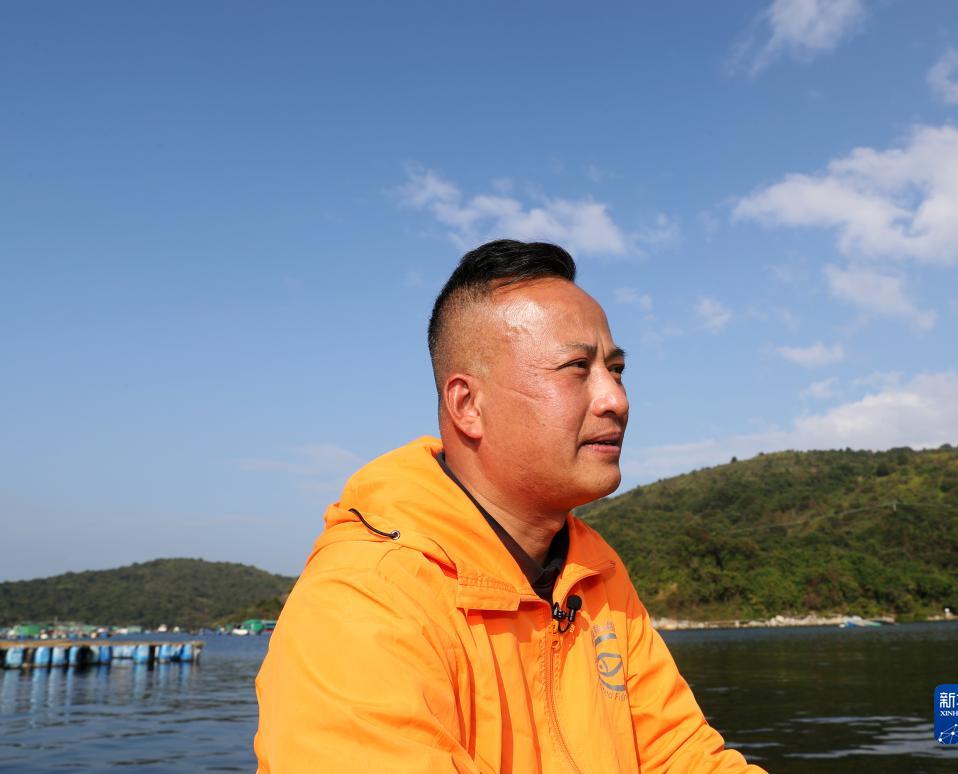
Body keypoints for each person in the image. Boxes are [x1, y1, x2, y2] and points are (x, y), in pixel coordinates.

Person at [254, 240, 765, 772]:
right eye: (577, 367)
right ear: (467, 404)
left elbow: (680, 755)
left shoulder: (594, 575)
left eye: (615, 370)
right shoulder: (365, 600)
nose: (616, 399)